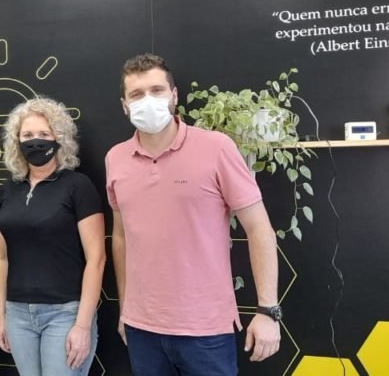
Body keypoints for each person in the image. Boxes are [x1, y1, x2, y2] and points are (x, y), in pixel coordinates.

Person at [107, 53, 282, 376]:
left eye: (157, 90)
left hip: (205, 330)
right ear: (124, 105)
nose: (147, 100)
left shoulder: (216, 148)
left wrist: (268, 310)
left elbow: (259, 229)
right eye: (137, 94)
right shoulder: (115, 159)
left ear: (174, 96)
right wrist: (125, 308)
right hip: (141, 329)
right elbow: (121, 236)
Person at [0, 97, 106, 376]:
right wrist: (2, 316)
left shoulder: (78, 186)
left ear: (59, 138)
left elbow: (97, 259)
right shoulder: (9, 190)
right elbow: (1, 256)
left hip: (65, 313)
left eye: (44, 134)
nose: (36, 141)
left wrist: (82, 325)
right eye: (28, 135)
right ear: (16, 141)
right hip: (18, 315)